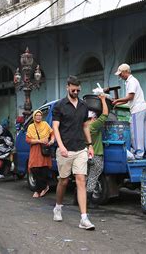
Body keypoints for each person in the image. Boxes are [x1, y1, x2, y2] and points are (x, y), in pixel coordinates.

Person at [52, 75, 95, 230]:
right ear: (67, 87)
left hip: (80, 148)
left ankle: (84, 218)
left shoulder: (84, 106)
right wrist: (61, 146)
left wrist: (89, 145)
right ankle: (58, 206)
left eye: (78, 89)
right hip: (65, 150)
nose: (76, 92)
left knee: (81, 180)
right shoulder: (59, 105)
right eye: (73, 89)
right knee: (63, 181)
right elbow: (55, 127)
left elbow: (85, 126)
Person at [112, 64, 146, 159]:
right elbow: (128, 99)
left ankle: (139, 153)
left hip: (137, 110)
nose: (120, 76)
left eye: (121, 74)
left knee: (137, 133)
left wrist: (117, 100)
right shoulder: (131, 81)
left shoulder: (131, 81)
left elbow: (130, 97)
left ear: (126, 72)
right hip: (143, 108)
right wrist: (117, 103)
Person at [86, 94, 109, 208]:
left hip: (85, 155)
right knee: (93, 177)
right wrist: (103, 100)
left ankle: (78, 198)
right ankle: (88, 202)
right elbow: (105, 114)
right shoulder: (94, 126)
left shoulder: (83, 127)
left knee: (84, 177)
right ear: (93, 118)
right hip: (96, 155)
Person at [26, 110, 55, 198]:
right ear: (34, 117)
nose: (38, 117)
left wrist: (52, 141)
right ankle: (43, 187)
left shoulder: (45, 124)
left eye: (40, 115)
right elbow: (27, 140)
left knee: (43, 170)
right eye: (37, 115)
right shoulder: (31, 126)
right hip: (35, 150)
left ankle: (39, 189)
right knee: (34, 169)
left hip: (44, 150)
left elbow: (52, 133)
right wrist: (39, 140)